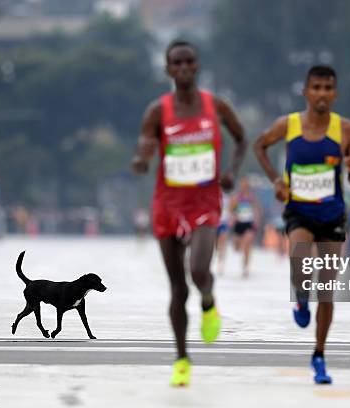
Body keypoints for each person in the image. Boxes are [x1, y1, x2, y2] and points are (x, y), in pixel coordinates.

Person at [131, 40, 247, 387]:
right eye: (176, 63)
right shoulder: (158, 111)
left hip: (204, 202)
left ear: (197, 67)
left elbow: (241, 139)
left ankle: (209, 301)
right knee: (177, 289)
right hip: (168, 204)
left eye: (189, 62)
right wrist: (142, 159)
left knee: (198, 270)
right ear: (168, 69)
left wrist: (231, 172)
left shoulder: (216, 107)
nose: (183, 68)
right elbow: (146, 144)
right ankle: (182, 359)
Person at [254, 65, 350, 384]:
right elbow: (259, 145)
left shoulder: (347, 129)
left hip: (333, 215)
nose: (322, 94)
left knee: (326, 290)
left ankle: (319, 355)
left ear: (335, 93)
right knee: (300, 260)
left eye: (328, 88)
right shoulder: (288, 125)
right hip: (298, 210)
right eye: (316, 87)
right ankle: (301, 295)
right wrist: (275, 179)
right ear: (306, 92)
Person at [229, 176, 261, 278]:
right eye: (242, 184)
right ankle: (242, 256)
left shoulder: (252, 198)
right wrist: (234, 216)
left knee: (247, 244)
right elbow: (231, 209)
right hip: (239, 224)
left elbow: (257, 210)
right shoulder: (236, 197)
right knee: (237, 248)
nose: (244, 186)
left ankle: (245, 267)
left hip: (249, 224)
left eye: (246, 184)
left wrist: (256, 221)